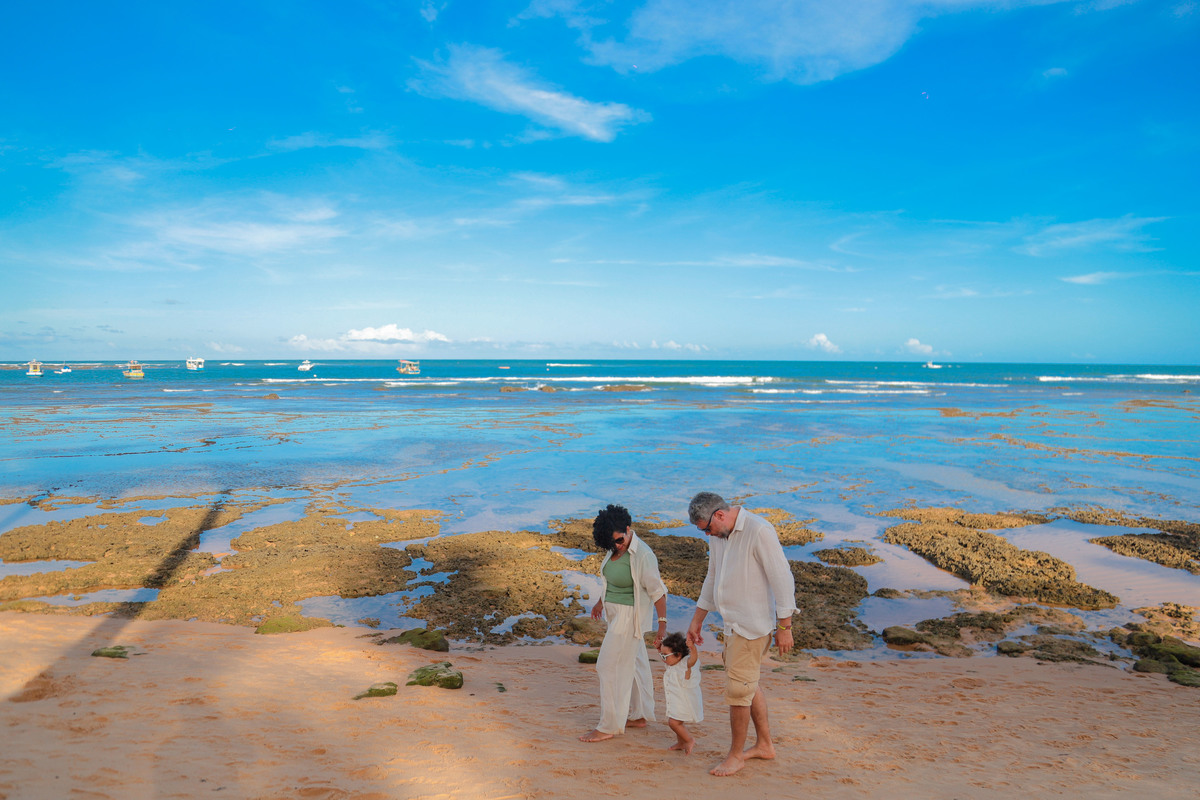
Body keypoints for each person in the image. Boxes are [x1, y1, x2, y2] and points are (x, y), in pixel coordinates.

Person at [685, 491, 797, 777]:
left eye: (707, 528)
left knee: (738, 692)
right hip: (732, 626)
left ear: (720, 515)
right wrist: (697, 619)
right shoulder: (718, 536)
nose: (707, 534)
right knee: (747, 683)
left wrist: (785, 627)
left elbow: (782, 577)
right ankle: (764, 745)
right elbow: (712, 577)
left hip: (751, 628)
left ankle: (735, 755)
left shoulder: (759, 531)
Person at [579, 503, 669, 743]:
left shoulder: (643, 555)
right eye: (612, 543)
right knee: (636, 666)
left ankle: (609, 725)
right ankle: (639, 716)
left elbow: (658, 593)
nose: (617, 546)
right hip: (615, 616)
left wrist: (662, 627)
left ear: (628, 529)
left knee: (608, 667)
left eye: (619, 540)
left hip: (630, 619)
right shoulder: (615, 547)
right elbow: (613, 579)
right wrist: (600, 602)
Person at [657, 632, 703, 754]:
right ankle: (681, 742)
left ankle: (689, 740)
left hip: (684, 701)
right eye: (662, 655)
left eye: (665, 656)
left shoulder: (685, 664)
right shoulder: (672, 663)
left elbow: (693, 659)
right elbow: (666, 657)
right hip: (675, 700)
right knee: (678, 721)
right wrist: (659, 649)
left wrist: (693, 648)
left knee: (673, 723)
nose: (663, 659)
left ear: (678, 655)